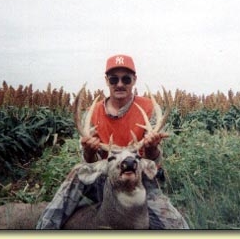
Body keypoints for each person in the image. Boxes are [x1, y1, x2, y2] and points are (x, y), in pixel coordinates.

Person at [36, 54, 189, 229]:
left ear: (134, 80)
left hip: (140, 179)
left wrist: (152, 147)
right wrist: (89, 152)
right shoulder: (93, 113)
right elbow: (90, 166)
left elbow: (152, 163)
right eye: (114, 79)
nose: (120, 84)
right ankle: (45, 228)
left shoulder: (149, 109)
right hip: (107, 177)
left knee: (177, 227)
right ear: (107, 81)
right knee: (78, 171)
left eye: (126, 79)